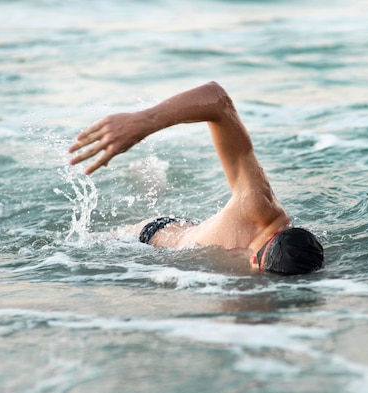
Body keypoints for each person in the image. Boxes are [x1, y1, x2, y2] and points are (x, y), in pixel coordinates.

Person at [68, 81, 324, 275]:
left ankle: (153, 181)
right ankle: (147, 176)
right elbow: (216, 98)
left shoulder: (299, 254)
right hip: (149, 238)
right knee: (79, 248)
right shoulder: (259, 204)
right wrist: (143, 122)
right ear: (255, 261)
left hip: (197, 238)